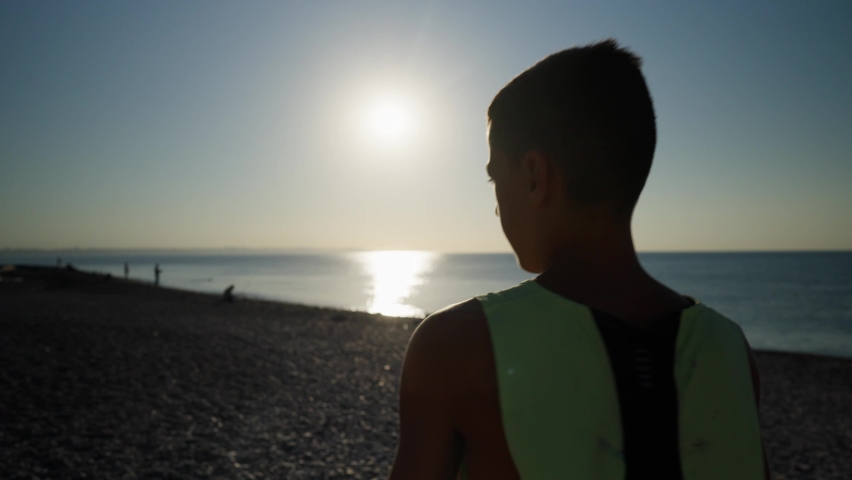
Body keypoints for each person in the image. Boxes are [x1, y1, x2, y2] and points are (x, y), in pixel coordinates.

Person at [389, 39, 768, 480]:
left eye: (495, 178)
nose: (496, 207)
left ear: (534, 176)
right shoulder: (729, 349)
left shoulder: (454, 346)